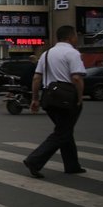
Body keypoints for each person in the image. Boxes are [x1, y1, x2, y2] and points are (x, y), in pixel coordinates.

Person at [23, 26, 86, 178]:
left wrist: (35, 99)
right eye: (76, 36)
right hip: (67, 98)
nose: (76, 39)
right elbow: (77, 78)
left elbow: (36, 78)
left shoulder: (46, 54)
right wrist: (80, 97)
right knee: (62, 132)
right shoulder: (72, 53)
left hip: (49, 98)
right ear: (71, 37)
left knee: (65, 130)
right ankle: (34, 160)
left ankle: (72, 165)